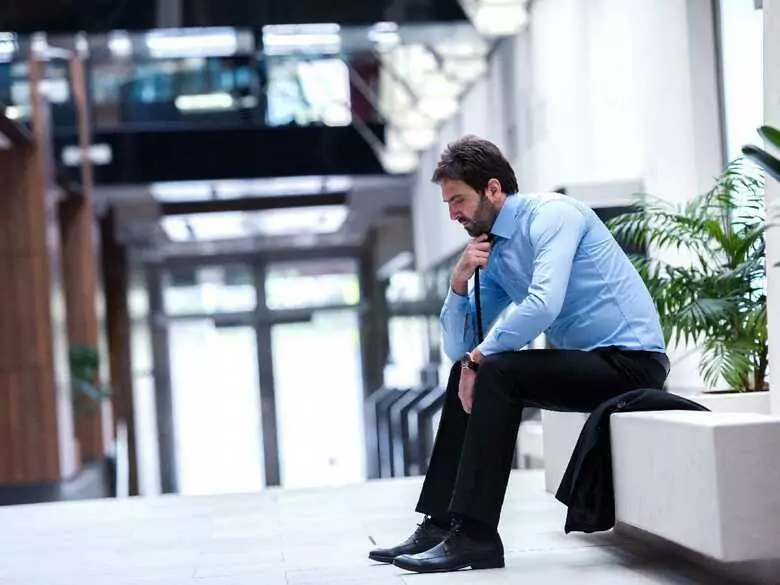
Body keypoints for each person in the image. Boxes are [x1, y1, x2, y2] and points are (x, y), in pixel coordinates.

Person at [368, 135, 670, 574]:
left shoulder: (552, 216)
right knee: (469, 371)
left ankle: (475, 537)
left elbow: (543, 304)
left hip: (632, 363)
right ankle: (440, 524)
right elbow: (459, 348)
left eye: (458, 200)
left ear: (492, 189)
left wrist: (478, 359)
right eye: (448, 204)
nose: (452, 214)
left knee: (496, 371)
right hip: (589, 365)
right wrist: (457, 284)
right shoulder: (494, 250)